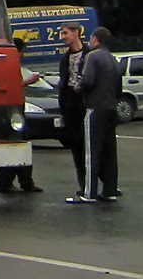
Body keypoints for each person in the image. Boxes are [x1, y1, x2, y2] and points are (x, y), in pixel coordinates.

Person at [67, 27, 121, 203]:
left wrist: (78, 87)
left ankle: (89, 193)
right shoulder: (113, 59)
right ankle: (110, 191)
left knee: (92, 151)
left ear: (96, 39)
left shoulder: (93, 56)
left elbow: (88, 79)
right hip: (111, 107)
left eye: (91, 38)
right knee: (109, 151)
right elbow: (118, 87)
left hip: (95, 108)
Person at [0, 37, 43, 193]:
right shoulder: (8, 66)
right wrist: (28, 81)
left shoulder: (11, 65)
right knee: (15, 146)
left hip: (16, 108)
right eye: (22, 51)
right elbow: (10, 87)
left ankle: (25, 181)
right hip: (11, 110)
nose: (23, 55)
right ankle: (7, 183)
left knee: (21, 145)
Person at [57, 21, 88, 197]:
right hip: (70, 107)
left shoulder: (89, 54)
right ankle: (83, 184)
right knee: (76, 147)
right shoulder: (65, 58)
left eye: (65, 33)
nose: (63, 37)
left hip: (85, 104)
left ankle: (100, 183)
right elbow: (64, 81)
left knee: (89, 146)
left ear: (76, 33)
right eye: (62, 34)